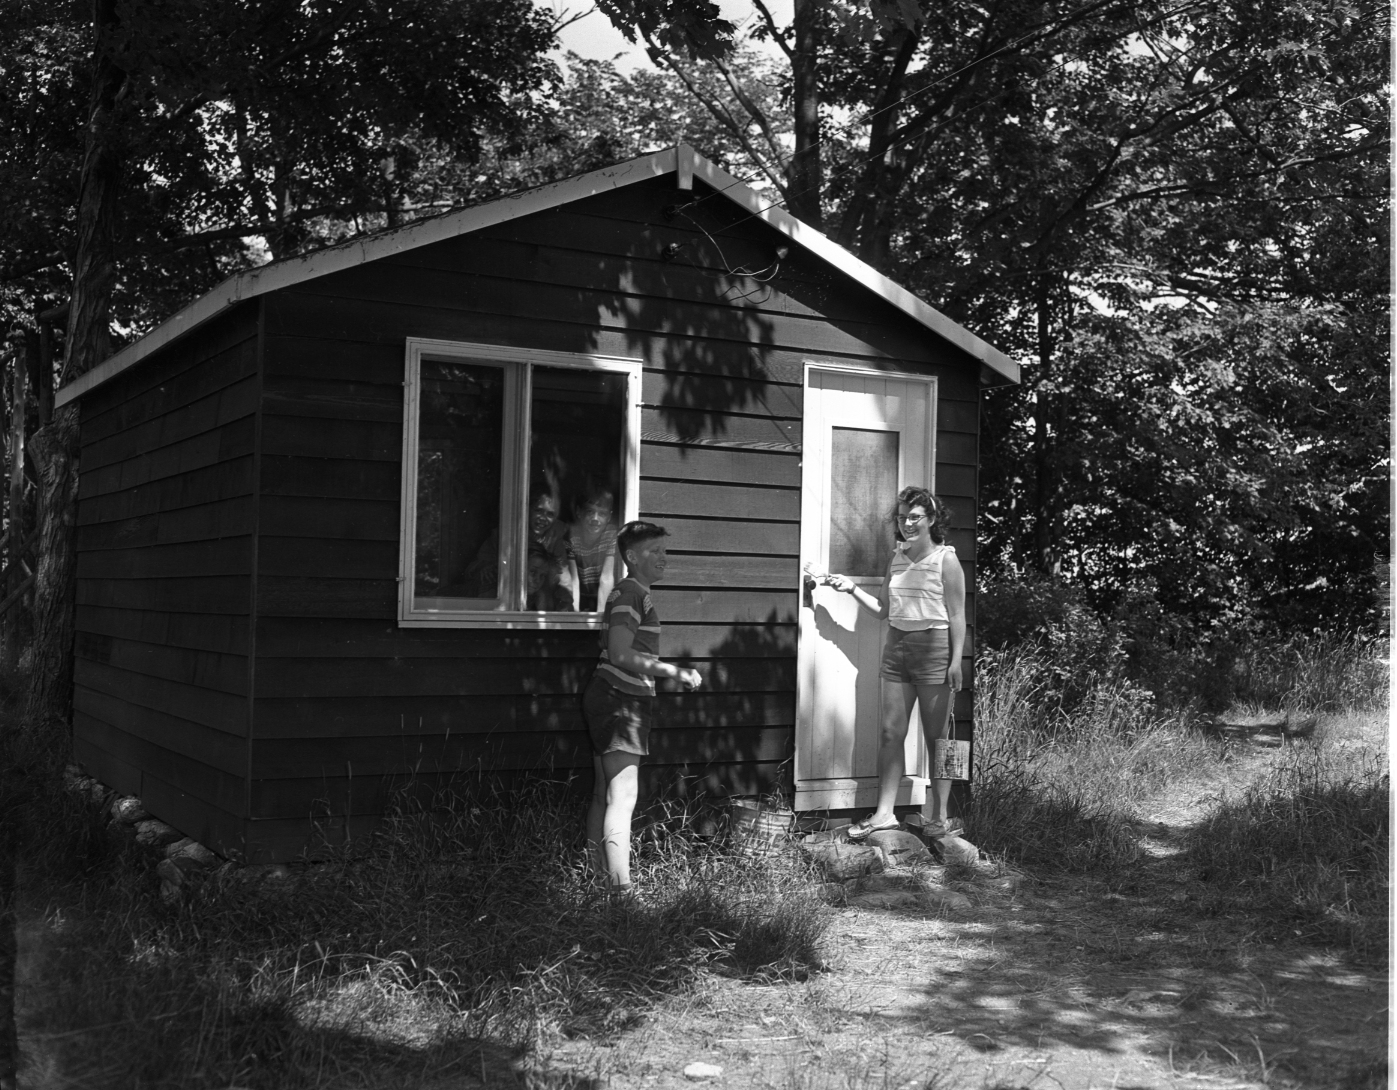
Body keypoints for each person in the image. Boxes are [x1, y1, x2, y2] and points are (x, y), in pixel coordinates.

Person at [824, 486, 966, 842]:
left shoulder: (946, 560)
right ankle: (885, 814)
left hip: (935, 649)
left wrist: (956, 661)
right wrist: (850, 589)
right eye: (902, 518)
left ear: (931, 519)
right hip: (897, 649)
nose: (907, 524)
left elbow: (958, 615)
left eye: (914, 517)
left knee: (941, 739)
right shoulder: (897, 559)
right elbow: (883, 610)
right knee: (891, 733)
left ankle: (941, 817)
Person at [583, 520, 702, 894]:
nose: (663, 557)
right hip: (621, 699)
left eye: (665, 550)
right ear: (632, 557)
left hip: (610, 695)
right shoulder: (631, 594)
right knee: (622, 797)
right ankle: (621, 892)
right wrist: (675, 672)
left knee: (605, 793)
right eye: (655, 551)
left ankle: (597, 878)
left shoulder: (629, 593)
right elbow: (620, 653)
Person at [567, 486, 620, 612]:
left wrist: (601, 616)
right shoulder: (572, 537)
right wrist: (575, 615)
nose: (595, 519)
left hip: (604, 598)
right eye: (590, 512)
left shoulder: (611, 535)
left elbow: (606, 577)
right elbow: (574, 579)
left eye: (602, 514)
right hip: (580, 595)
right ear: (579, 512)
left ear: (609, 517)